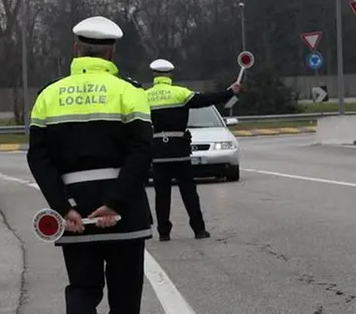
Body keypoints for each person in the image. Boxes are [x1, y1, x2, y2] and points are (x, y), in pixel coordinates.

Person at [27, 16, 155, 314]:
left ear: (76, 49)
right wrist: (114, 202)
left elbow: (38, 158)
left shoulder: (48, 95)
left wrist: (63, 207)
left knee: (83, 291)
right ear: (112, 53)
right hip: (125, 214)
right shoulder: (129, 92)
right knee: (125, 297)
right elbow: (142, 151)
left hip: (75, 215)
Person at [144, 58, 242, 241]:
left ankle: (164, 233)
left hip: (158, 152)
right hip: (180, 151)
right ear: (170, 75)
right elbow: (207, 99)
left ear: (154, 76)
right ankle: (199, 230)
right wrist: (230, 92)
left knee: (162, 195)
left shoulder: (144, 96)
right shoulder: (181, 93)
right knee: (189, 192)